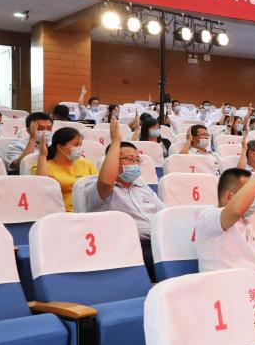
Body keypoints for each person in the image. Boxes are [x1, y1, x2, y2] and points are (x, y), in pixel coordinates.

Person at [82, 119, 164, 279]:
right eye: (129, 159)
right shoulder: (97, 187)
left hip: (158, 240)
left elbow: (164, 213)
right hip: (129, 246)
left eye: (137, 160)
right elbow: (106, 181)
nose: (134, 164)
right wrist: (116, 142)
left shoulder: (142, 187)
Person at [195, 146, 255, 284]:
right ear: (229, 197)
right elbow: (235, 210)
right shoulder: (208, 216)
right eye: (248, 193)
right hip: (227, 288)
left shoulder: (245, 222)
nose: (252, 198)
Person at [33, 127, 98, 212]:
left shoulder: (87, 164)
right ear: (60, 147)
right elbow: (42, 187)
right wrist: (42, 156)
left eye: (80, 145)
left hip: (90, 210)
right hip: (63, 212)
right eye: (75, 145)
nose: (79, 148)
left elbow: (97, 188)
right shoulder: (45, 166)